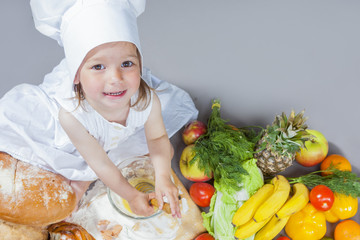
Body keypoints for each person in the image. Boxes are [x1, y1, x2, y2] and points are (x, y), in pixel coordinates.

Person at [0, 0, 198, 224]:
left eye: (127, 64)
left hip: (104, 133)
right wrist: (132, 196)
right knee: (82, 167)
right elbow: (101, 164)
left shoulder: (146, 99)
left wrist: (163, 177)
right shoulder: (71, 116)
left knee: (165, 153)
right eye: (98, 67)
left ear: (140, 65)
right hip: (83, 138)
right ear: (76, 74)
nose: (115, 79)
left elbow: (157, 137)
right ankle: (81, 183)